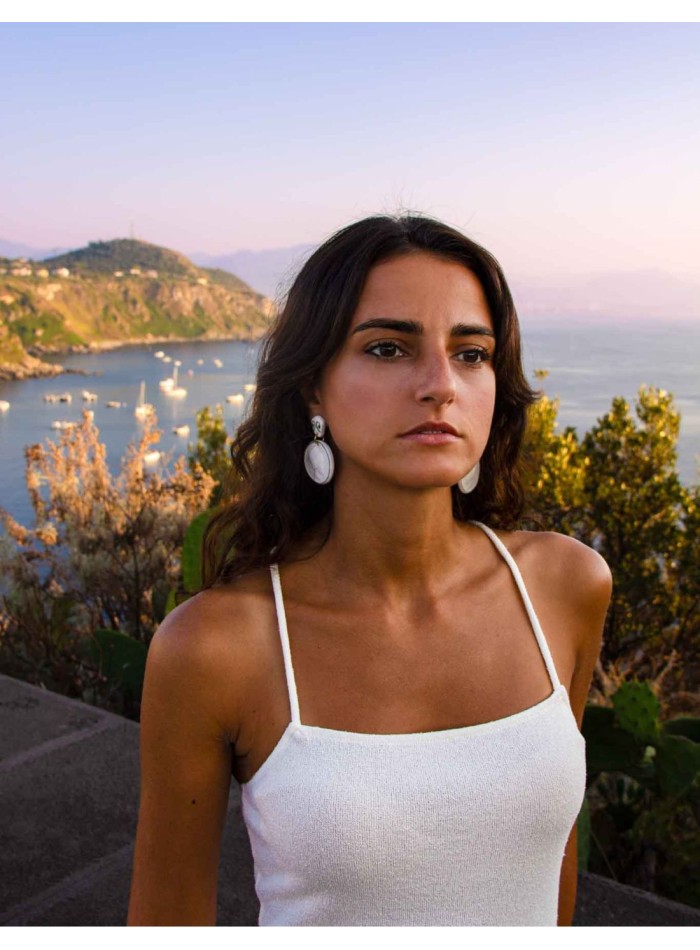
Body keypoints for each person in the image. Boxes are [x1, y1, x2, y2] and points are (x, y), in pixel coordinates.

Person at [127, 214, 612, 927]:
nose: (440, 385)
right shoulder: (215, 649)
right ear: (312, 390)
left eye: (472, 353)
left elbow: (553, 853)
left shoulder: (566, 587)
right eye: (388, 348)